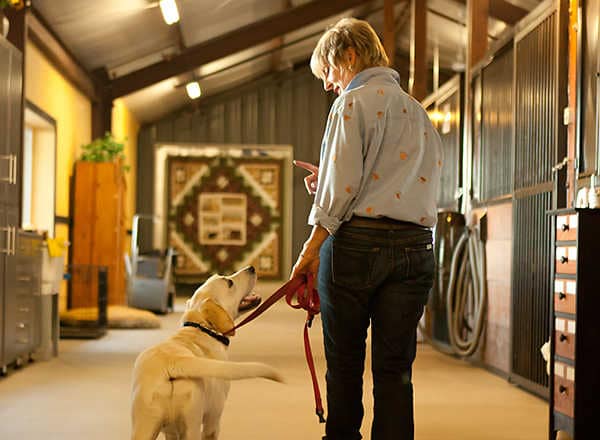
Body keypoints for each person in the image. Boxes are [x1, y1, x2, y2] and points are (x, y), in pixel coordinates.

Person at [290, 17, 443, 440]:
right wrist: (336, 181)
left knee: (345, 365)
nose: (327, 86)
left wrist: (310, 249)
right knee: (396, 371)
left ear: (350, 56)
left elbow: (341, 191)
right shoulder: (418, 111)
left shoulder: (351, 104)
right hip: (415, 249)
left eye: (328, 72)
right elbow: (411, 181)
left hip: (355, 248)